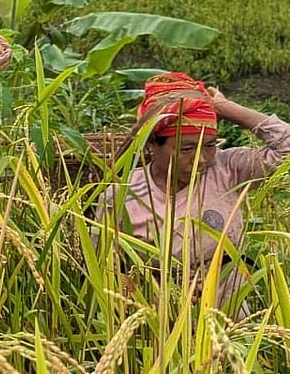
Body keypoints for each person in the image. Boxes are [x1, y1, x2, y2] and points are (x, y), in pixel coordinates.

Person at [100, 72, 290, 316]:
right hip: (156, 327)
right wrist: (165, 293)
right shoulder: (122, 197)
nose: (201, 159)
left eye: (209, 145)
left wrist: (224, 107)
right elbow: (107, 273)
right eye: (187, 148)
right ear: (151, 144)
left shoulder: (227, 170)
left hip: (230, 321)